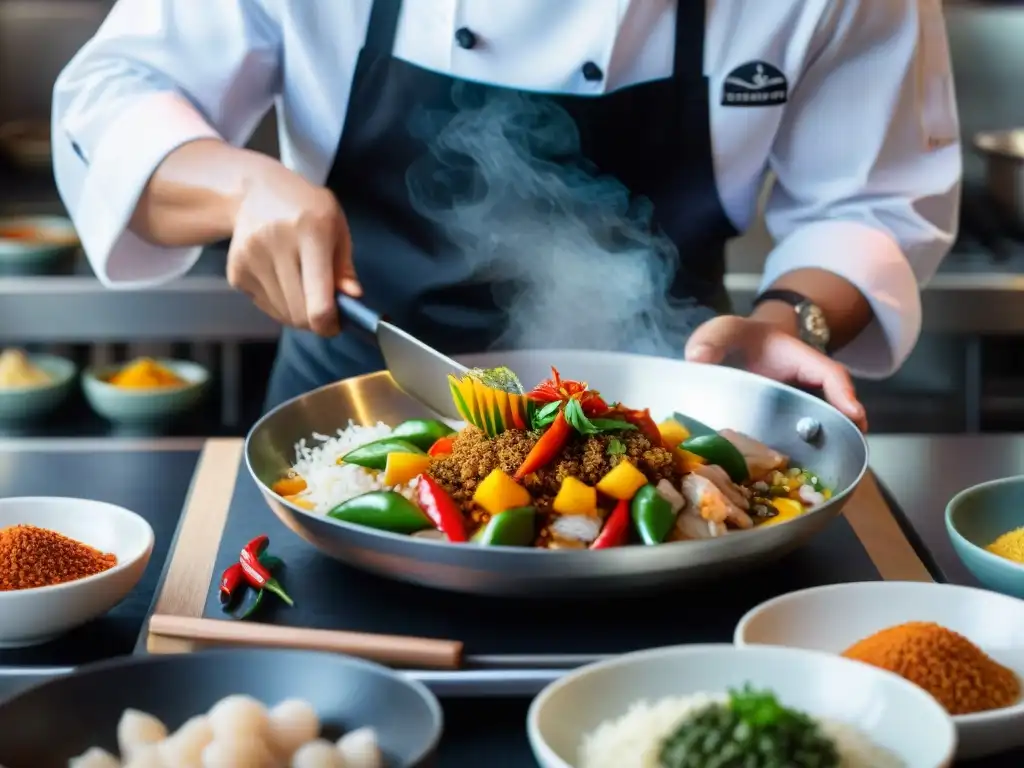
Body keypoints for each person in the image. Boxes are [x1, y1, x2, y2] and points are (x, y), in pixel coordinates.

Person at [52, 0, 961, 433]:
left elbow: (876, 200)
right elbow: (114, 92)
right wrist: (240, 187)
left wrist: (786, 322)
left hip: (669, 414)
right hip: (350, 408)